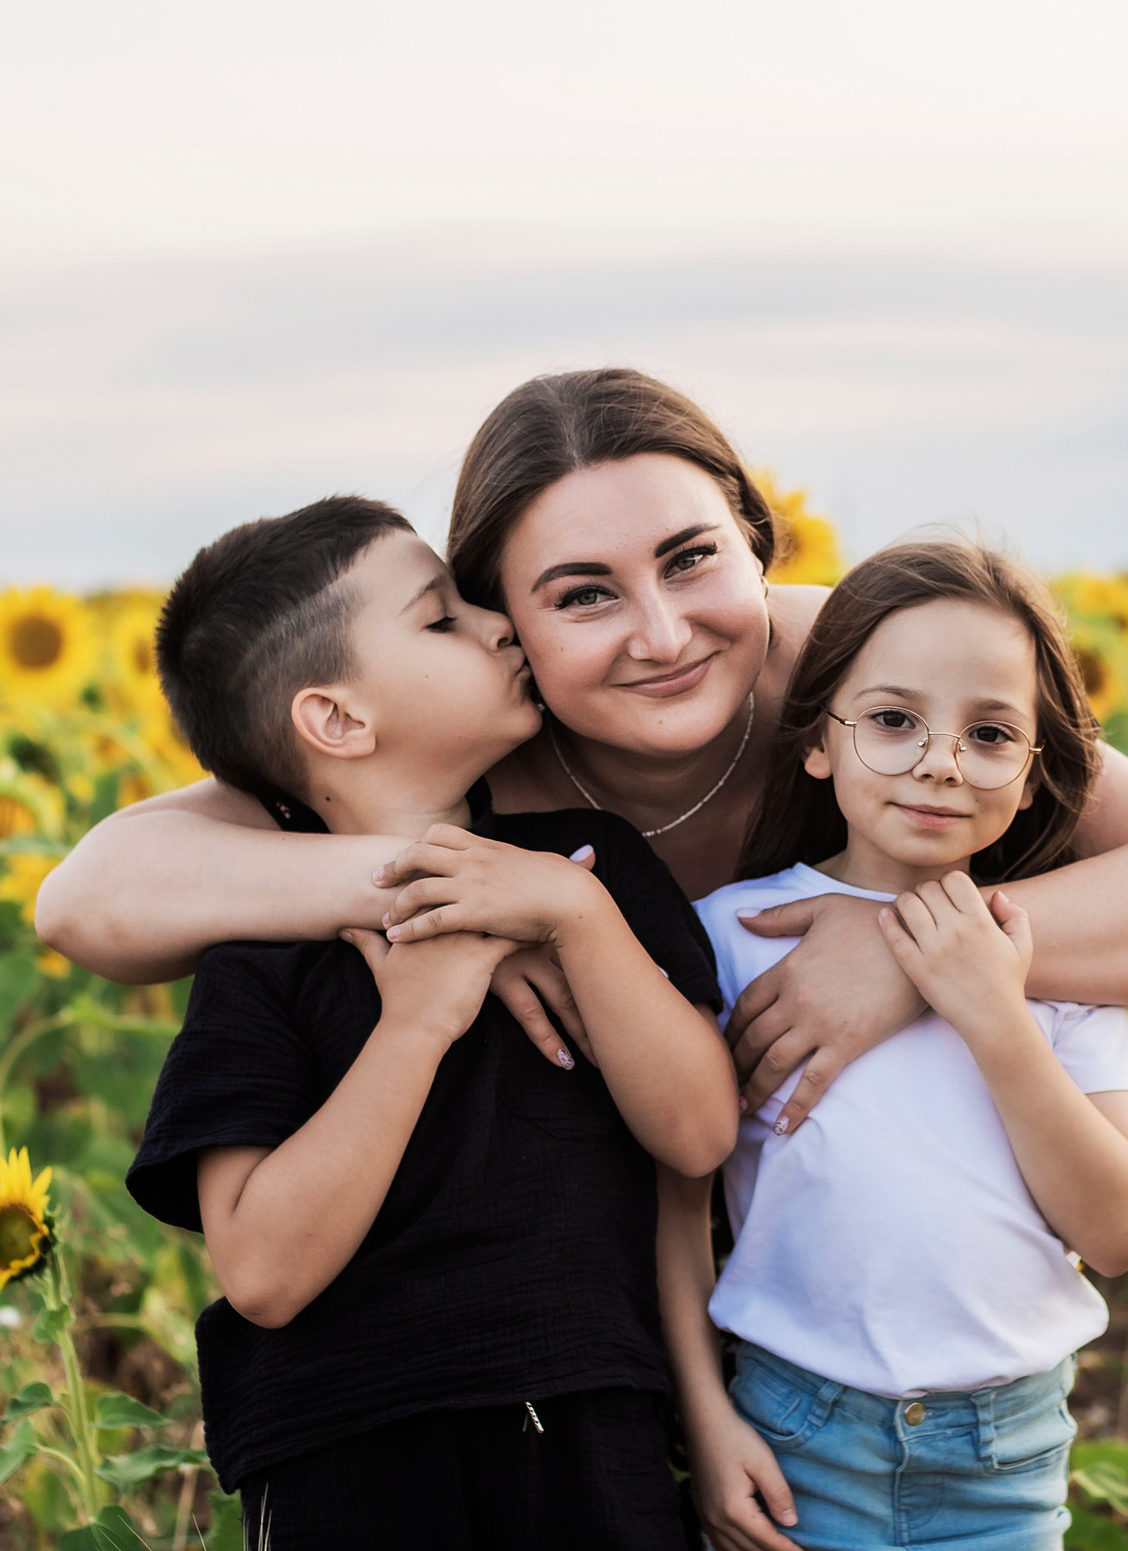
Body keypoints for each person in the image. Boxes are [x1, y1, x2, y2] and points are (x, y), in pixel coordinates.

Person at [39, 369, 1128, 1125]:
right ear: (502, 624)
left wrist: (907, 950)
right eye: (581, 594)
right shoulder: (468, 739)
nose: (661, 633)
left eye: (692, 559)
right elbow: (95, 902)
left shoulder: (863, 677)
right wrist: (480, 896)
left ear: (758, 539)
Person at [122, 496, 737, 1550]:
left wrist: (576, 917)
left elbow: (697, 1134)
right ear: (338, 721)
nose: (498, 623)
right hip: (345, 1447)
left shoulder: (593, 865)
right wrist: (414, 1026)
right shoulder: (260, 947)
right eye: (442, 619)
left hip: (588, 1414)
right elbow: (262, 1276)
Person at [662, 538, 1128, 1551]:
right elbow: (671, 1203)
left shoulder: (1054, 958)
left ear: (1031, 777)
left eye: (988, 733)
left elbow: (1116, 1233)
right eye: (893, 721)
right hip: (793, 1436)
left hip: (1004, 1458)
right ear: (815, 741)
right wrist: (704, 1417)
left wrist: (989, 1010)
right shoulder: (732, 938)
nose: (939, 760)